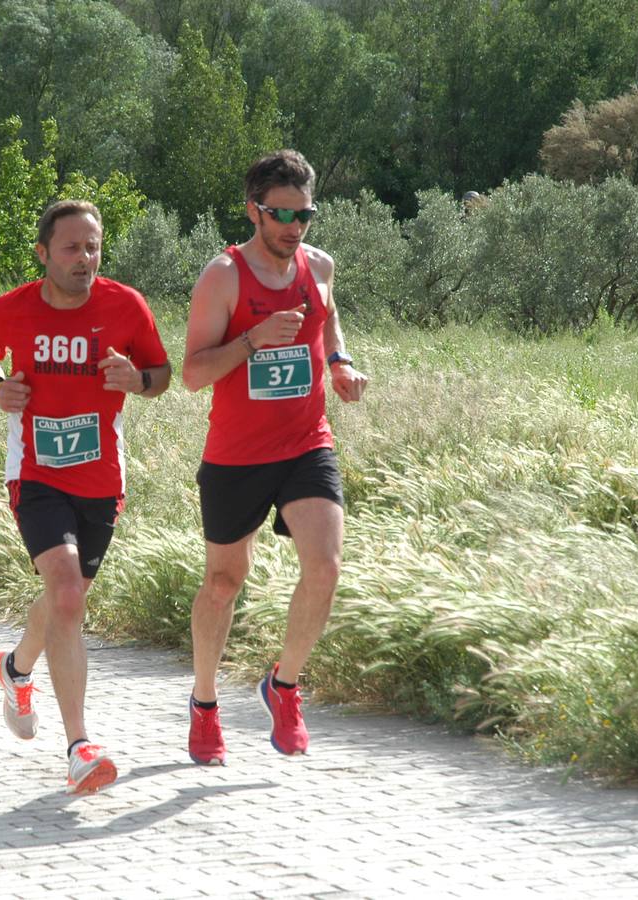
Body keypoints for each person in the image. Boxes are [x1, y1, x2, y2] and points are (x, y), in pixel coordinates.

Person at [0, 199, 171, 793]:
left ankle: (15, 668)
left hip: (102, 478)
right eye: (71, 248)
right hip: (37, 473)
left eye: (93, 247)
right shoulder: (15, 309)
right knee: (65, 592)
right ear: (43, 254)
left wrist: (139, 380)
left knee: (67, 601)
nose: (84, 259)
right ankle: (80, 745)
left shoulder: (125, 306)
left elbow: (161, 374)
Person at [181, 150, 368, 765]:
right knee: (223, 582)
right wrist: (251, 340)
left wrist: (338, 363)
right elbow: (192, 373)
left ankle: (283, 686)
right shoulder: (224, 276)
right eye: (280, 213)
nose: (293, 226)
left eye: (304, 214)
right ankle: (205, 704)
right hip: (236, 455)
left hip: (306, 442)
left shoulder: (319, 266)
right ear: (253, 211)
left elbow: (328, 320)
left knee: (325, 568)